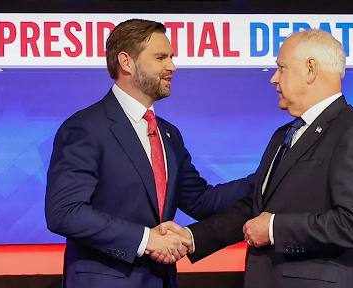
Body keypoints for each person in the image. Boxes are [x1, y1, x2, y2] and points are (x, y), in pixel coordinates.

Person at [156, 29, 353, 288]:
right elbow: (252, 207)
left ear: (310, 69)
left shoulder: (352, 131)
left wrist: (275, 228)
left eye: (282, 68)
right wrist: (191, 237)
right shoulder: (283, 135)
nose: (274, 79)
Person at [45, 19, 252, 288]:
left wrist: (270, 177)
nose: (172, 67)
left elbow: (201, 200)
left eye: (171, 57)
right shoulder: (86, 128)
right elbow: (65, 212)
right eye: (160, 57)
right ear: (126, 62)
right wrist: (146, 239)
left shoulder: (169, 134)